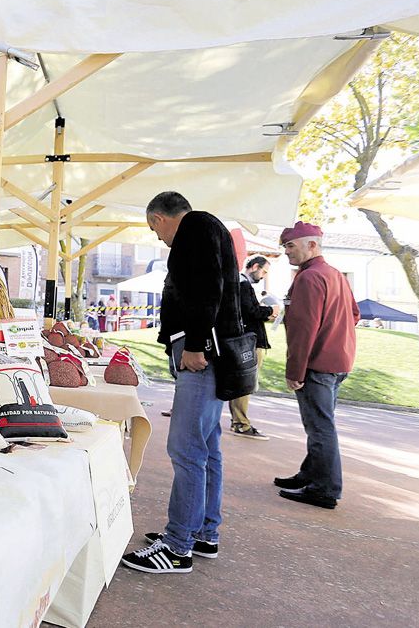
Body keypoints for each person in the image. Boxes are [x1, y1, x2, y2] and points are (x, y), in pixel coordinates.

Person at [121, 191, 241, 574]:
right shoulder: (208, 227)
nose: (158, 238)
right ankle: (202, 532)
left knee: (186, 448)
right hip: (213, 353)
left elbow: (207, 289)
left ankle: (177, 547)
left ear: (158, 218)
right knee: (206, 448)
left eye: (154, 229)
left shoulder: (194, 228)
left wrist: (195, 344)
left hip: (201, 356)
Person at [276, 221, 359, 510]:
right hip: (339, 360)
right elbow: (355, 314)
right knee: (320, 424)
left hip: (318, 364)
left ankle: (324, 489)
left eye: (290, 245)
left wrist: (295, 371)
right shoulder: (334, 274)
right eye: (285, 246)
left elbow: (302, 328)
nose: (286, 251)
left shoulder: (309, 278)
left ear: (312, 245)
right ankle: (310, 475)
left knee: (320, 427)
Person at [228, 256, 275, 440]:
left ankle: (239, 421)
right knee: (245, 382)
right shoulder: (243, 284)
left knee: (243, 382)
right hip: (250, 341)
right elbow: (250, 312)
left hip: (247, 339)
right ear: (255, 266)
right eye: (263, 271)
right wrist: (271, 311)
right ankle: (241, 423)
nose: (263, 276)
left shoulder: (239, 283)